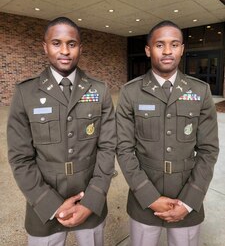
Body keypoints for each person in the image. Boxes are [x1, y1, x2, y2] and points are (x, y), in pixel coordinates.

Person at [7, 17, 116, 246]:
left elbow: (107, 148)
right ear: (45, 46)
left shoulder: (99, 90)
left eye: (72, 44)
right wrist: (52, 204)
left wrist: (93, 199)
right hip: (43, 205)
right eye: (56, 43)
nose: (65, 50)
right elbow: (20, 158)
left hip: (91, 200)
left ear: (80, 48)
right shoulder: (26, 93)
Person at [116, 20, 219, 246]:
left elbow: (208, 150)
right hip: (144, 198)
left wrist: (189, 201)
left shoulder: (200, 91)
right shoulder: (131, 92)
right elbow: (123, 150)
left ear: (182, 49)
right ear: (148, 50)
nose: (167, 51)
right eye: (159, 45)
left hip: (187, 196)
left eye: (174, 44)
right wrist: (149, 197)